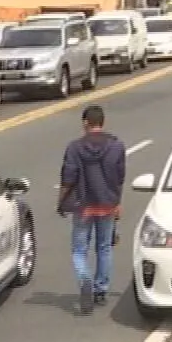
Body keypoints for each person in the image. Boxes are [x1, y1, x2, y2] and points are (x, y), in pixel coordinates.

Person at [59, 104, 127, 314]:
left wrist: (61, 201)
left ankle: (85, 280)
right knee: (104, 247)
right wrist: (117, 203)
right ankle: (100, 290)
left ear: (85, 123)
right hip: (107, 204)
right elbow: (119, 178)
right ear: (102, 122)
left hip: (83, 206)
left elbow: (68, 178)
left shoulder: (74, 148)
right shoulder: (116, 146)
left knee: (79, 250)